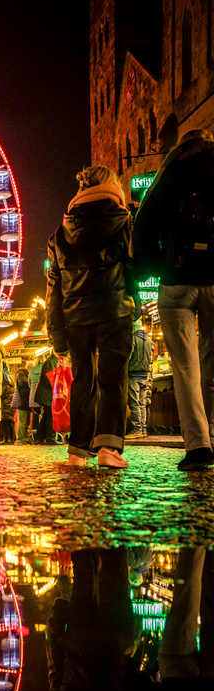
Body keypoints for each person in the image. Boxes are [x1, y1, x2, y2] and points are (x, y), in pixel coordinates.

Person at [132, 129, 214, 470]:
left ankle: (197, 446)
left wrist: (149, 269)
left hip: (175, 282)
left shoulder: (168, 177)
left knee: (185, 370)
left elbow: (145, 226)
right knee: (212, 364)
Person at [46, 166, 135, 469]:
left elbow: (54, 288)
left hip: (76, 315)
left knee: (83, 380)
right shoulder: (124, 221)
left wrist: (56, 332)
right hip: (115, 307)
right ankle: (109, 447)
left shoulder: (61, 232)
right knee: (113, 378)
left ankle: (77, 450)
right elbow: (134, 263)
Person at [127, 319, 153, 439]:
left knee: (135, 404)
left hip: (133, 375)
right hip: (145, 375)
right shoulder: (149, 340)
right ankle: (143, 429)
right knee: (142, 403)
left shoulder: (133, 339)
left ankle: (136, 430)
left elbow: (128, 356)